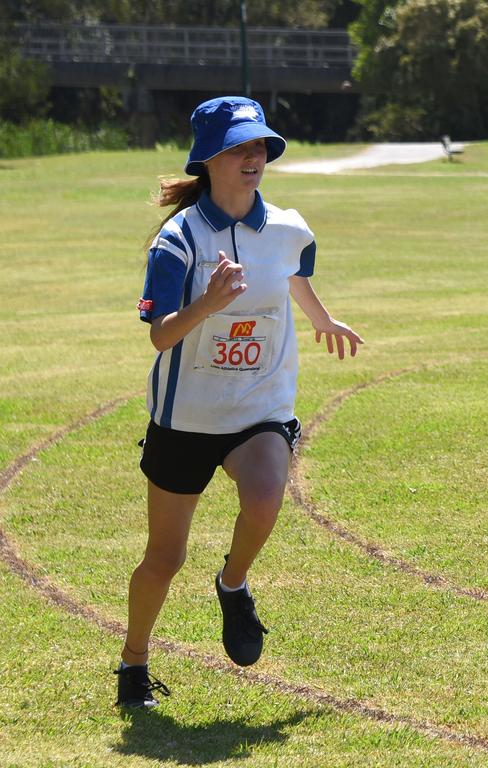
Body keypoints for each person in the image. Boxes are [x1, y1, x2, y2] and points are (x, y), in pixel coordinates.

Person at [114, 96, 364, 707]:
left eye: (261, 146)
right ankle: (133, 663)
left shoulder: (290, 228)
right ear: (210, 159)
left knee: (264, 496)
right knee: (163, 560)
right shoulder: (178, 241)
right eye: (240, 147)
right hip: (185, 418)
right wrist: (210, 304)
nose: (255, 157)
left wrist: (324, 319)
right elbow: (161, 333)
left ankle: (233, 584)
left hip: (260, 406)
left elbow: (293, 276)